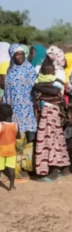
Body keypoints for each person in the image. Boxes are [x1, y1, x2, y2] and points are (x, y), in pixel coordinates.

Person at [2, 44, 38, 179]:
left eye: (22, 54)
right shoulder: (10, 71)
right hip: (14, 113)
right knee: (16, 141)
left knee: (28, 141)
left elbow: (37, 89)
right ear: (12, 56)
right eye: (17, 54)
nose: (20, 57)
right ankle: (15, 170)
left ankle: (26, 168)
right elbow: (7, 93)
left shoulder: (30, 70)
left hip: (28, 111)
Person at [33, 63, 71, 181]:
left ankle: (53, 171)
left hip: (49, 114)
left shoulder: (42, 83)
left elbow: (55, 91)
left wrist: (38, 87)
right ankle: (64, 168)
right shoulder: (45, 82)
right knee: (57, 140)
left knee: (49, 142)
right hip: (50, 113)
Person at [0, 105, 18, 191]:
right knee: (11, 169)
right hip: (11, 150)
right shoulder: (15, 125)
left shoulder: (1, 125)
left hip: (1, 150)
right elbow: (18, 136)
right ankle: (11, 186)